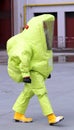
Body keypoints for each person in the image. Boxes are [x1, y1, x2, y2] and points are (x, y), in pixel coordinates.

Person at [6, 14, 64, 125]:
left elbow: (42, 57)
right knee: (42, 93)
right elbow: (24, 60)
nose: (46, 29)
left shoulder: (40, 42)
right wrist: (25, 75)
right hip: (33, 73)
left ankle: (18, 114)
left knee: (27, 93)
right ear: (37, 28)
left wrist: (46, 72)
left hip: (37, 71)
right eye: (44, 26)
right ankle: (51, 117)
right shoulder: (27, 43)